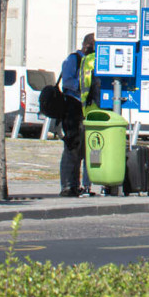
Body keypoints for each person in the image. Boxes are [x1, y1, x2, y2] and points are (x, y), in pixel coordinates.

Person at [58, 33, 95, 197]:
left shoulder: (94, 61)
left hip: (89, 109)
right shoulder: (74, 59)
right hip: (73, 108)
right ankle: (68, 185)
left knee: (89, 148)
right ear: (87, 45)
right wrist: (84, 88)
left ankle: (86, 186)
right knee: (72, 148)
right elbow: (67, 82)